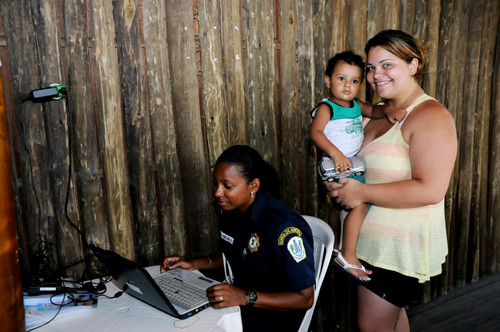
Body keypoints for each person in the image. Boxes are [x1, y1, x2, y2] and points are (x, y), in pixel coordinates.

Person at [327, 30, 457, 332]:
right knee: (392, 321)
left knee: (371, 326)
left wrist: (359, 191)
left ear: (413, 65)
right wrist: (339, 185)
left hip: (395, 250)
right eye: (371, 68)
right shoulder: (378, 114)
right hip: (366, 245)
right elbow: (361, 170)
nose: (375, 75)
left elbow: (431, 189)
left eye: (387, 65)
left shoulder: (430, 116)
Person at [161, 145, 316, 332]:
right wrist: (195, 264)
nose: (217, 192)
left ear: (254, 185)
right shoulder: (231, 211)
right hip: (239, 307)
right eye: (215, 183)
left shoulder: (283, 226)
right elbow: (239, 253)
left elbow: (305, 298)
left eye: (227, 186)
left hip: (273, 319)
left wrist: (244, 297)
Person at [309, 50, 407, 282]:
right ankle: (348, 254)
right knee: (359, 206)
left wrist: (389, 110)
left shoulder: (354, 104)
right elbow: (315, 132)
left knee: (336, 206)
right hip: (337, 163)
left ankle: (333, 243)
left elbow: (373, 111)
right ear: (327, 80)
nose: (347, 86)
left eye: (354, 81)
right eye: (341, 79)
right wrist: (336, 153)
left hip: (349, 163)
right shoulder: (328, 108)